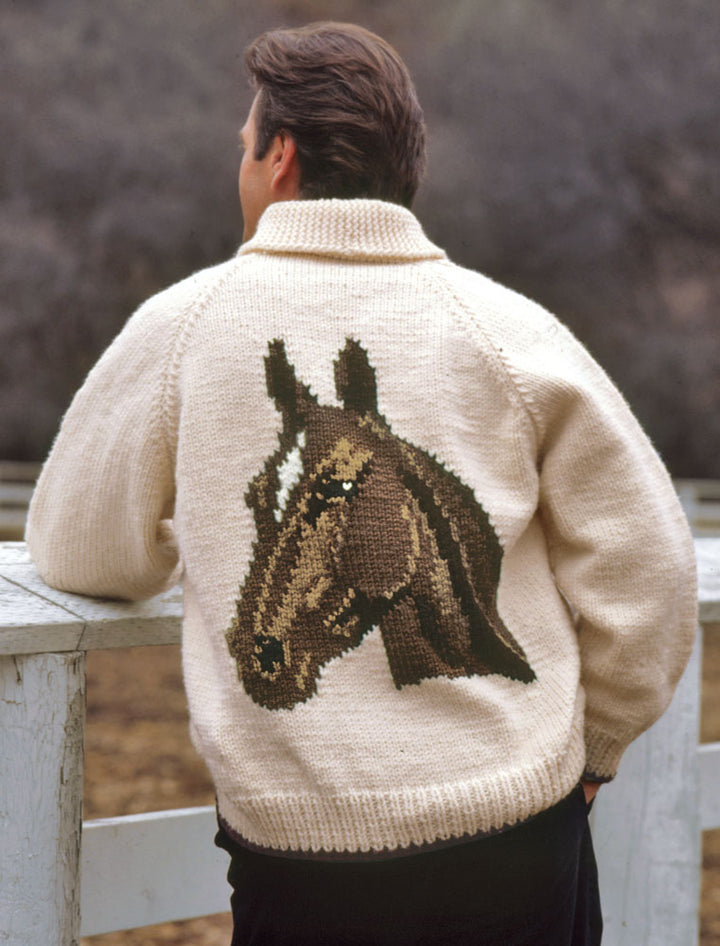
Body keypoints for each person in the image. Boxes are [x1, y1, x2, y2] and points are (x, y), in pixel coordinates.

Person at [27, 21, 697, 946]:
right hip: (521, 836)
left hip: (306, 866)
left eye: (244, 145)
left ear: (281, 158)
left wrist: (195, 538)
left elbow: (80, 546)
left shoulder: (184, 326)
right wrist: (599, 749)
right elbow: (650, 567)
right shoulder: (510, 331)